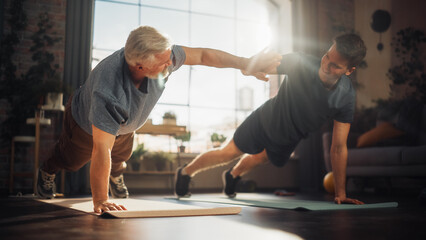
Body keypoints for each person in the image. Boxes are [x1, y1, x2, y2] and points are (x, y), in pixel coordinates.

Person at [36, 26, 282, 213]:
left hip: (126, 124)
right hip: (85, 126)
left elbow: (205, 55)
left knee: (121, 155)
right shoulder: (108, 90)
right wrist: (101, 200)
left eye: (169, 59)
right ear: (140, 66)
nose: (171, 64)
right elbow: (101, 149)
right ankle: (47, 171)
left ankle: (116, 176)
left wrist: (244, 63)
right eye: (165, 63)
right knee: (72, 159)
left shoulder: (163, 55)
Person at [175, 33, 367, 205]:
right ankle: (185, 172)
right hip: (264, 119)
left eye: (335, 65)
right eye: (326, 57)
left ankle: (232, 175)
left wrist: (341, 193)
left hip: (289, 137)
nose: (326, 65)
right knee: (228, 153)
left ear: (349, 70)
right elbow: (250, 68)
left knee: (260, 157)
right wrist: (253, 65)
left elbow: (339, 146)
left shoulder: (345, 97)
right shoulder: (300, 62)